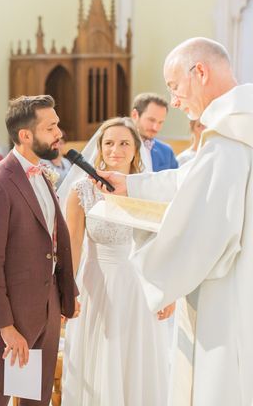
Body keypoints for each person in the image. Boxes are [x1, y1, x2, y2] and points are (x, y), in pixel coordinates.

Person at [95, 37, 253, 406]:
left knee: (224, 379)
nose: (176, 100)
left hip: (230, 289)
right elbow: (193, 180)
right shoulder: (237, 127)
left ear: (200, 73)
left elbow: (204, 226)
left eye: (175, 87)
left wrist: (156, 265)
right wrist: (132, 185)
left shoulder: (229, 137)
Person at [59, 117, 171, 406]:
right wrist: (65, 290)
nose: (115, 150)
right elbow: (72, 243)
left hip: (138, 287)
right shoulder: (81, 191)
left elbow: (159, 243)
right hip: (98, 284)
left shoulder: (147, 189)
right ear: (99, 147)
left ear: (136, 150)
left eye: (124, 143)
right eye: (109, 143)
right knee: (100, 358)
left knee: (136, 359)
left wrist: (168, 291)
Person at [0, 95, 78, 406]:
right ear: (25, 135)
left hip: (46, 305)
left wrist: (66, 292)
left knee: (37, 398)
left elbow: (53, 240)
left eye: (57, 125)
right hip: (14, 313)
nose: (59, 132)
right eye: (51, 127)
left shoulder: (41, 172)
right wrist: (5, 326)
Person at [131, 93, 178, 171]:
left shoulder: (166, 152)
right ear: (135, 115)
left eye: (160, 122)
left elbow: (177, 181)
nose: (156, 128)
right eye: (151, 120)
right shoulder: (118, 147)